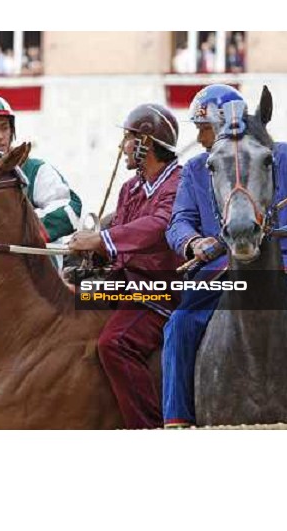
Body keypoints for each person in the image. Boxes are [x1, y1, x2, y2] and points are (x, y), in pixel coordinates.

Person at [162, 84, 287, 428]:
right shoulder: (196, 168)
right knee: (179, 325)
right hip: (217, 275)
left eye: (203, 128)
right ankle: (177, 421)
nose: (200, 138)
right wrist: (192, 242)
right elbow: (179, 222)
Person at [68, 104, 182, 429]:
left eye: (128, 139)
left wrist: (100, 240)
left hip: (160, 290)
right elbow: (120, 242)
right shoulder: (130, 188)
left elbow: (159, 225)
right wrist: (92, 256)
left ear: (145, 142)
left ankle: (148, 429)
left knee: (113, 344)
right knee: (67, 302)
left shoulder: (179, 182)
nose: (123, 147)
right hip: (126, 283)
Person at [0, 94, 82, 249]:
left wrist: (17, 231)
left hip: (33, 265)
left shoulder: (35, 169)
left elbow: (69, 209)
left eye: (4, 127)